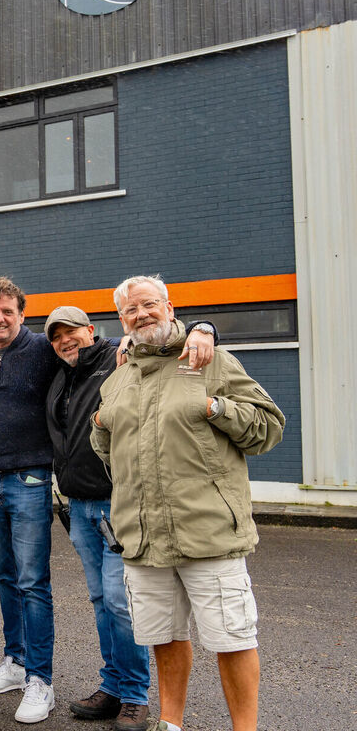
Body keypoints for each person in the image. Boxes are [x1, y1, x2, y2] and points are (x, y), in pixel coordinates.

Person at [0, 277, 214, 724]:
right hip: (50, 496)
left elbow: (155, 332)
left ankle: (90, 686)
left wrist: (203, 328)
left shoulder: (98, 353)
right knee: (83, 595)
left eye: (8, 311)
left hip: (79, 493)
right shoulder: (13, 364)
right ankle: (65, 674)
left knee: (97, 595)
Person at [91, 276, 284, 731]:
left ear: (170, 306)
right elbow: (109, 452)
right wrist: (99, 425)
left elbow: (268, 429)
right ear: (121, 321)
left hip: (208, 530)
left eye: (149, 304)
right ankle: (170, 723)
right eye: (130, 310)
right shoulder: (119, 376)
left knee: (232, 638)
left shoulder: (211, 360)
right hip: (143, 537)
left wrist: (216, 407)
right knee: (164, 636)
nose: (141, 314)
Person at [44, 307, 152, 731]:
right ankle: (112, 685)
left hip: (115, 503)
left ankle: (135, 696)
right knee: (101, 600)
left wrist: (204, 329)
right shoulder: (59, 375)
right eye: (56, 337)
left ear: (91, 330)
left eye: (71, 332)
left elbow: (165, 340)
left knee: (119, 599)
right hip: (78, 506)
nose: (65, 341)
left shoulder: (117, 358)